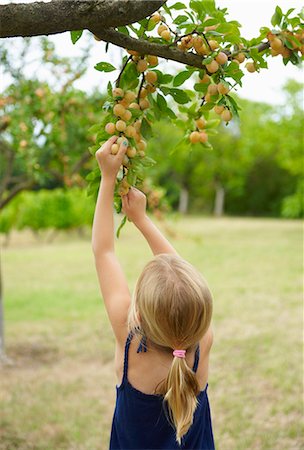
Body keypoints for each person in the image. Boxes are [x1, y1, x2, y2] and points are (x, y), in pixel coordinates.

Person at [92, 136, 215, 449]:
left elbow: (104, 251)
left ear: (139, 313)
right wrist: (143, 220)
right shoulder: (203, 341)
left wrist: (108, 180)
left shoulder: (129, 339)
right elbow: (179, 274)